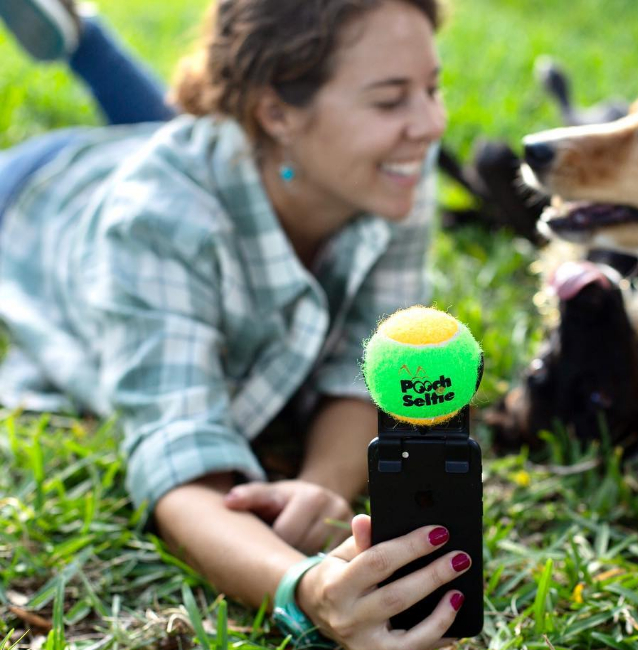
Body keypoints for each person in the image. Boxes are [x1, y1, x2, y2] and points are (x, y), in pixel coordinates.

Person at [0, 0, 471, 648]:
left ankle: (85, 37)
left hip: (254, 159)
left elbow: (364, 364)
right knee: (177, 152)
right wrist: (307, 590)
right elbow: (178, 457)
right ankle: (89, 42)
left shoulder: (389, 170)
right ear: (276, 110)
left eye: (433, 88)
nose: (430, 123)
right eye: (390, 101)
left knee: (199, 137)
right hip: (34, 195)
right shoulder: (155, 222)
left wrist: (322, 484)